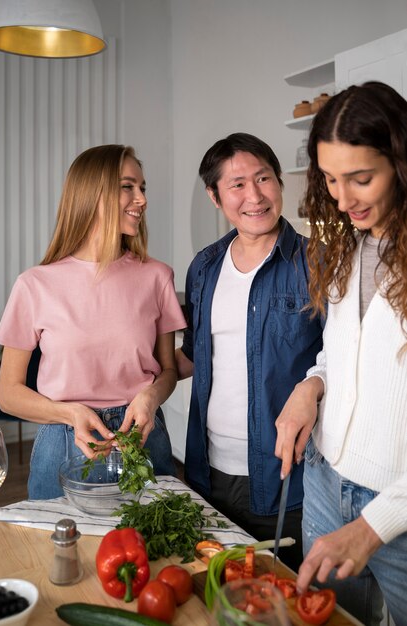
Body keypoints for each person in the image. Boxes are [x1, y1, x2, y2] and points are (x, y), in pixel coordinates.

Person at [275, 82, 407, 626]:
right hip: (325, 481)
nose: (342, 198)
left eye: (361, 178)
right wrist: (312, 387)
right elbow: (339, 353)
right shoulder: (346, 244)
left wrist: (375, 525)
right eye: (330, 179)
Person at [0, 144, 186, 499]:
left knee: (156, 551)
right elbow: (7, 394)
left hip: (142, 437)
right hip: (65, 440)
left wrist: (150, 397)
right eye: (127, 187)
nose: (141, 199)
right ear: (91, 193)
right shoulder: (35, 284)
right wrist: (70, 413)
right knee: (61, 554)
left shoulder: (157, 276)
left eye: (142, 188)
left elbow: (168, 371)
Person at [175, 132, 324, 572]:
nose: (254, 196)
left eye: (264, 179)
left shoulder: (316, 263)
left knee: (283, 598)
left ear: (279, 182)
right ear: (215, 196)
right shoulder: (203, 267)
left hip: (287, 477)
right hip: (207, 470)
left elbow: (340, 358)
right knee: (217, 592)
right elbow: (196, 355)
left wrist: (311, 387)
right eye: (237, 184)